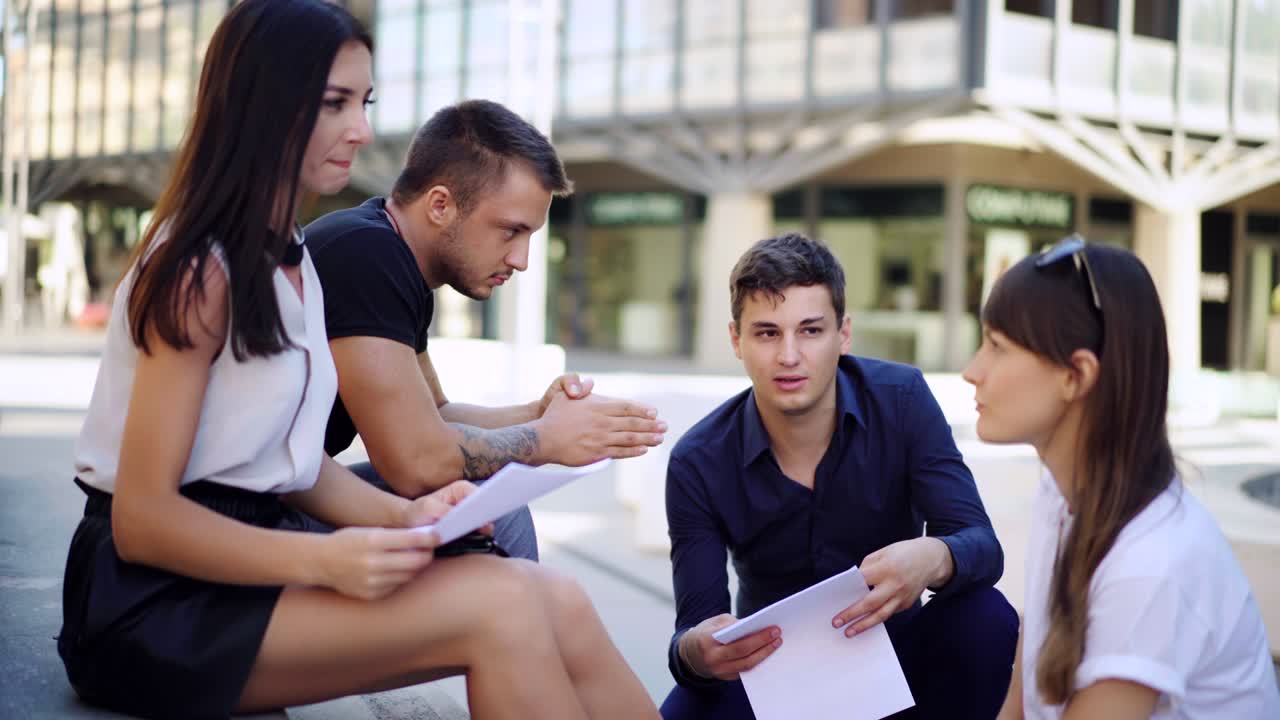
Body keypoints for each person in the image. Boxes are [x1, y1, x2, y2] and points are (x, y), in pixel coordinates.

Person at [57, 3, 659, 718]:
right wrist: (327, 558)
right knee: (504, 605)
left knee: (558, 597)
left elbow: (295, 466)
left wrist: (409, 520)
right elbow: (144, 520)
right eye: (335, 102)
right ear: (267, 105)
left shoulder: (296, 263)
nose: (363, 130)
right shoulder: (202, 269)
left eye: (365, 102)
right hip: (150, 606)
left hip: (237, 575)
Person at [661, 233, 1018, 720]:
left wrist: (935, 555)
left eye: (810, 330)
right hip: (777, 674)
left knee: (986, 617)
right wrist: (697, 653)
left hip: (898, 655)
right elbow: (693, 633)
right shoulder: (698, 460)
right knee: (685, 708)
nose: (789, 355)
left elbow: (983, 546)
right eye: (767, 333)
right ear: (736, 340)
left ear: (843, 334)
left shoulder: (904, 399)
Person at [305, 99, 666, 560]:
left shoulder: (387, 252)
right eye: (510, 231)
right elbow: (416, 462)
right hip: (243, 523)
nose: (521, 260)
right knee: (489, 505)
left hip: (288, 501)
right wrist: (548, 439)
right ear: (440, 205)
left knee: (488, 505)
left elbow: (436, 415)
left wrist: (538, 412)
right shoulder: (367, 255)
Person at [963, 236, 1280, 719]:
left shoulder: (1152, 562)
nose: (972, 371)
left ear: (1077, 376)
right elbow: (1022, 699)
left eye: (997, 346)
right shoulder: (1062, 491)